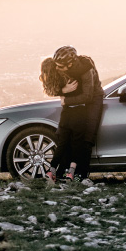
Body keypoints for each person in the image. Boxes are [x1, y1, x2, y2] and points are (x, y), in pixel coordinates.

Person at [45, 46, 103, 182]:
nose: (57, 68)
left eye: (60, 66)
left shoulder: (86, 70)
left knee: (88, 136)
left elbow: (88, 96)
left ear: (70, 64)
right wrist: (63, 91)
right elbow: (51, 87)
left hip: (93, 99)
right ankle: (62, 173)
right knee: (64, 136)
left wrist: (66, 100)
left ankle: (82, 175)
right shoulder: (63, 68)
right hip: (76, 102)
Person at [40, 57, 80, 181]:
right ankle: (71, 173)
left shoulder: (53, 83)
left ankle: (51, 171)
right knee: (76, 143)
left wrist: (62, 91)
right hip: (79, 112)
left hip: (66, 113)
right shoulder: (67, 77)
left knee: (62, 144)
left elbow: (52, 92)